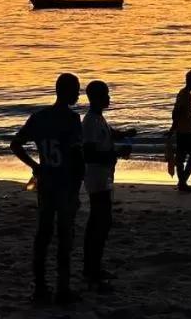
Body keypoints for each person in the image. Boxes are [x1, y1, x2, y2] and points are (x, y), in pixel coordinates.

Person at [11, 73, 85, 305]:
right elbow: (76, 154)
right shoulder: (72, 119)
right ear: (65, 91)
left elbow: (16, 144)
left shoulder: (39, 117)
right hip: (65, 183)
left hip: (46, 182)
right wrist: (80, 180)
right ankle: (62, 288)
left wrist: (35, 166)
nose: (78, 94)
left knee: (43, 234)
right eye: (75, 90)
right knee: (65, 236)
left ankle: (40, 287)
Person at [81, 80, 135, 293]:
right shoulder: (90, 122)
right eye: (105, 94)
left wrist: (124, 134)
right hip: (96, 178)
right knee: (100, 223)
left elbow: (108, 133)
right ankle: (92, 269)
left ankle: (93, 267)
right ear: (96, 98)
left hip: (103, 177)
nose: (109, 97)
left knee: (100, 222)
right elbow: (89, 154)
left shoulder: (98, 119)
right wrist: (117, 153)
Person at [171, 70, 191, 193]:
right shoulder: (185, 94)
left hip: (184, 129)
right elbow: (177, 112)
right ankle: (183, 181)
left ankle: (182, 181)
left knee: (181, 156)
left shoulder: (185, 94)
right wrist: (173, 127)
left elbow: (181, 111)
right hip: (184, 131)